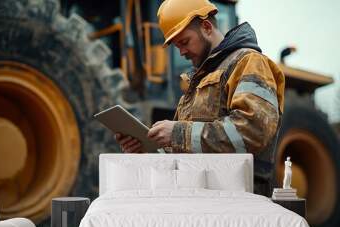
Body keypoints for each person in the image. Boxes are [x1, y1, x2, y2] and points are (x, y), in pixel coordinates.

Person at [115, 0, 285, 196]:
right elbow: (185, 154)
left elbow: (253, 131)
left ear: (206, 27)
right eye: (176, 46)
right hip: (200, 200)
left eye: (184, 42)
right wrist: (144, 152)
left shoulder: (249, 62)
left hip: (238, 202)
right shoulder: (196, 84)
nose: (182, 51)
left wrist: (177, 134)